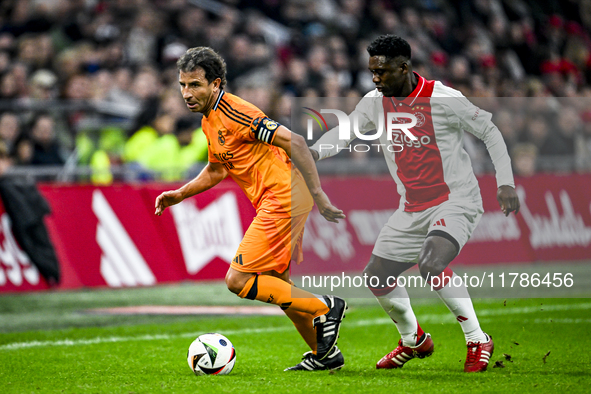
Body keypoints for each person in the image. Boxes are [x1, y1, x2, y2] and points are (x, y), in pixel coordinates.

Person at [309, 35, 520, 373]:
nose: (375, 80)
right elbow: (345, 132)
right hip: (412, 207)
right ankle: (413, 340)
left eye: (382, 72)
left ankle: (477, 338)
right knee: (376, 277)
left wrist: (506, 182)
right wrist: (314, 151)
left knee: (431, 264)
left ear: (404, 67)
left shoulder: (444, 98)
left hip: (456, 200)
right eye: (372, 73)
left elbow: (490, 131)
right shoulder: (375, 102)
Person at [154, 47, 347, 371]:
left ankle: (325, 308)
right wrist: (181, 193)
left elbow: (296, 141)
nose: (187, 93)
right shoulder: (209, 119)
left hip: (283, 195)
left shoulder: (236, 112)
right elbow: (217, 169)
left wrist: (319, 193)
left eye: (195, 85)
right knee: (278, 285)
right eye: (183, 85)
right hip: (280, 197)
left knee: (238, 279)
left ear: (215, 84)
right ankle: (325, 355)